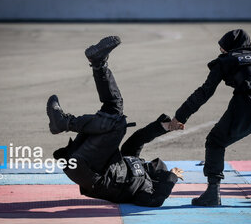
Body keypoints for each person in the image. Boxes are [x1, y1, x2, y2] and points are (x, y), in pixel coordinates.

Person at [168, 29, 251, 207]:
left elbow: (204, 92)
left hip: (248, 104)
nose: (221, 52)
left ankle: (213, 193)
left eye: (222, 49)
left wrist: (180, 116)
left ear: (229, 48)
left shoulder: (227, 59)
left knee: (215, 141)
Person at [46, 36, 183, 207]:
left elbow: (155, 201)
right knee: (114, 108)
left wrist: (173, 177)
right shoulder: (133, 161)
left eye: (155, 167)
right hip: (89, 160)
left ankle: (65, 123)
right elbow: (138, 139)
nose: (150, 164)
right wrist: (166, 127)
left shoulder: (146, 187)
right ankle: (98, 63)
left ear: (158, 177)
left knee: (117, 124)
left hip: (92, 173)